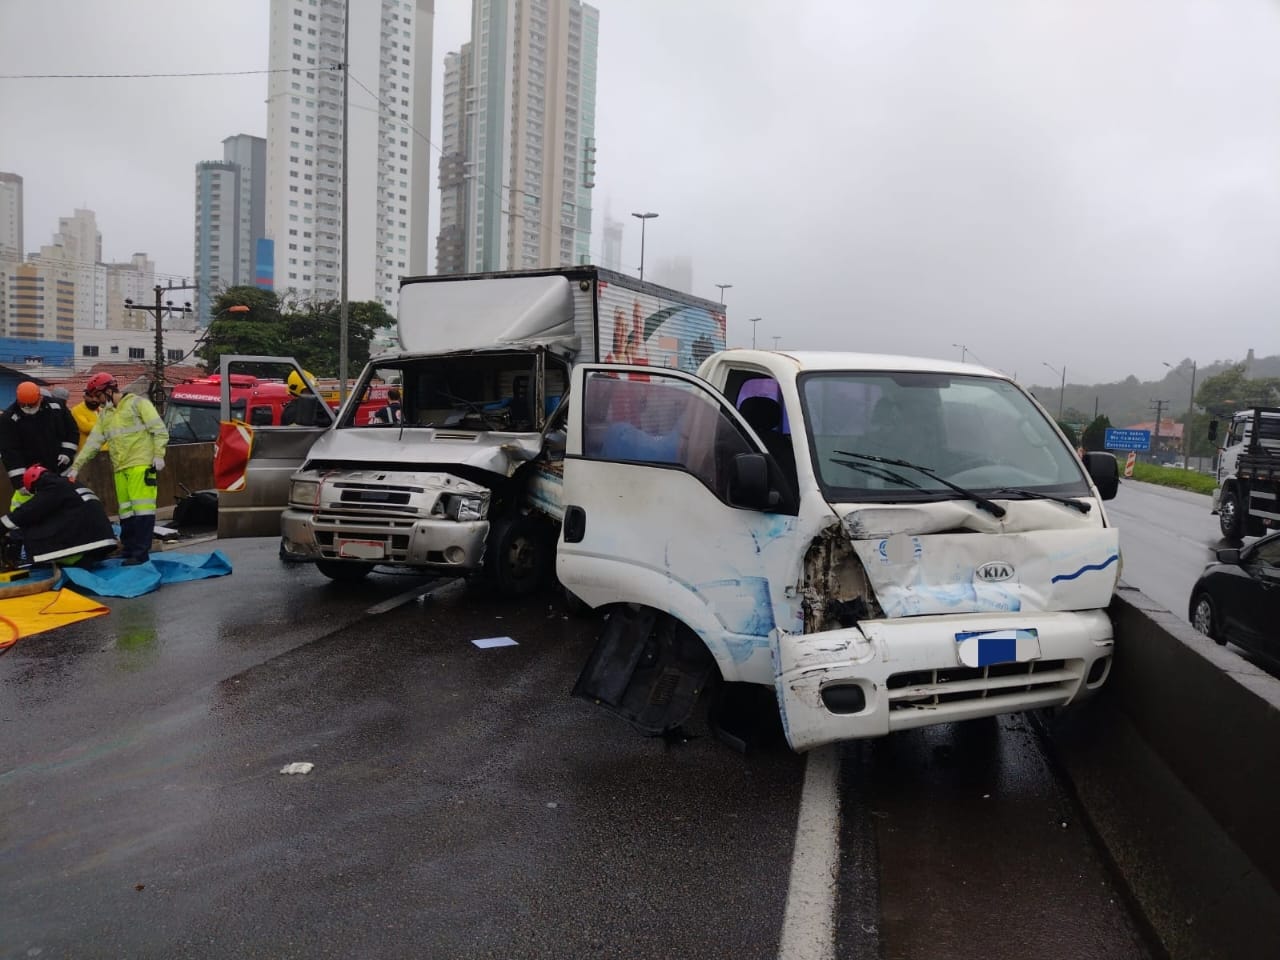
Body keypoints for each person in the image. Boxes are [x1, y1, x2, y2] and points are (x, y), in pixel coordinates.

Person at [67, 373, 169, 566]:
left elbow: (159, 431)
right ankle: (129, 548)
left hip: (141, 464)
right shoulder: (106, 414)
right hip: (120, 468)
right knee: (126, 513)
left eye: (98, 396)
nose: (96, 401)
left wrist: (158, 455)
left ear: (108, 390)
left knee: (142, 511)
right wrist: (76, 467)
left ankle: (140, 553)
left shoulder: (138, 404)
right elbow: (93, 443)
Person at [0, 464, 117, 567]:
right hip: (100, 540)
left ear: (34, 483)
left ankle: (70, 559)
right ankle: (75, 558)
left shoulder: (53, 487)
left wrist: (2, 527)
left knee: (33, 527)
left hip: (88, 542)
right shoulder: (67, 483)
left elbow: (28, 511)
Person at [0, 380, 78, 494]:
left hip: (63, 470)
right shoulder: (9, 419)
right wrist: (20, 482)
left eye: (31, 405)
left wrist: (67, 453)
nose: (27, 408)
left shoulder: (57, 408)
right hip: (34, 477)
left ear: (40, 398)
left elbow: (72, 432)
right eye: (23, 405)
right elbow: (10, 452)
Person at [70, 386, 106, 453]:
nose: (94, 399)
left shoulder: (101, 410)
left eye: (97, 397)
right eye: (91, 396)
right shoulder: (77, 410)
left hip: (103, 452)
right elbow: (87, 428)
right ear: (84, 397)